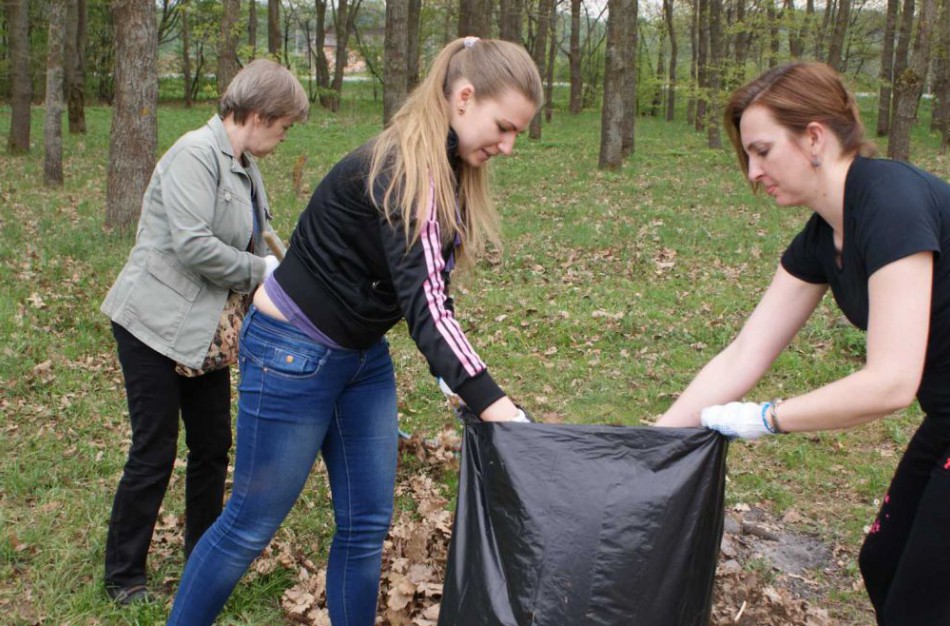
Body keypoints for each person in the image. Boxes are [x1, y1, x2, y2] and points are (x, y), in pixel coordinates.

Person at [165, 37, 542, 625]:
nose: (510, 145)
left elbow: (429, 289)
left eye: (518, 132)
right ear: (464, 97)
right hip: (292, 353)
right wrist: (502, 410)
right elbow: (426, 308)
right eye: (504, 126)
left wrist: (456, 377)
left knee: (366, 527)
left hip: (360, 357)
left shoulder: (444, 167)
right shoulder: (401, 171)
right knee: (248, 524)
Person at [655, 61, 950, 624]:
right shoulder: (823, 237)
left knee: (923, 599)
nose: (752, 172)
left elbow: (890, 382)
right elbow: (745, 351)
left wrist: (769, 417)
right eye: (747, 155)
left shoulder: (891, 202)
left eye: (762, 150)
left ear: (814, 137)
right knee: (883, 562)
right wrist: (655, 442)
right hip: (945, 414)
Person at [100, 59, 309, 605]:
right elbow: (193, 245)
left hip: (204, 333)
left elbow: (260, 238)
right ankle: (124, 576)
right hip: (152, 324)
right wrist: (260, 271)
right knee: (154, 450)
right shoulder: (196, 154)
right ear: (260, 115)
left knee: (213, 445)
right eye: (284, 126)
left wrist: (296, 273)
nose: (284, 138)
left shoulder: (244, 167)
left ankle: (203, 559)